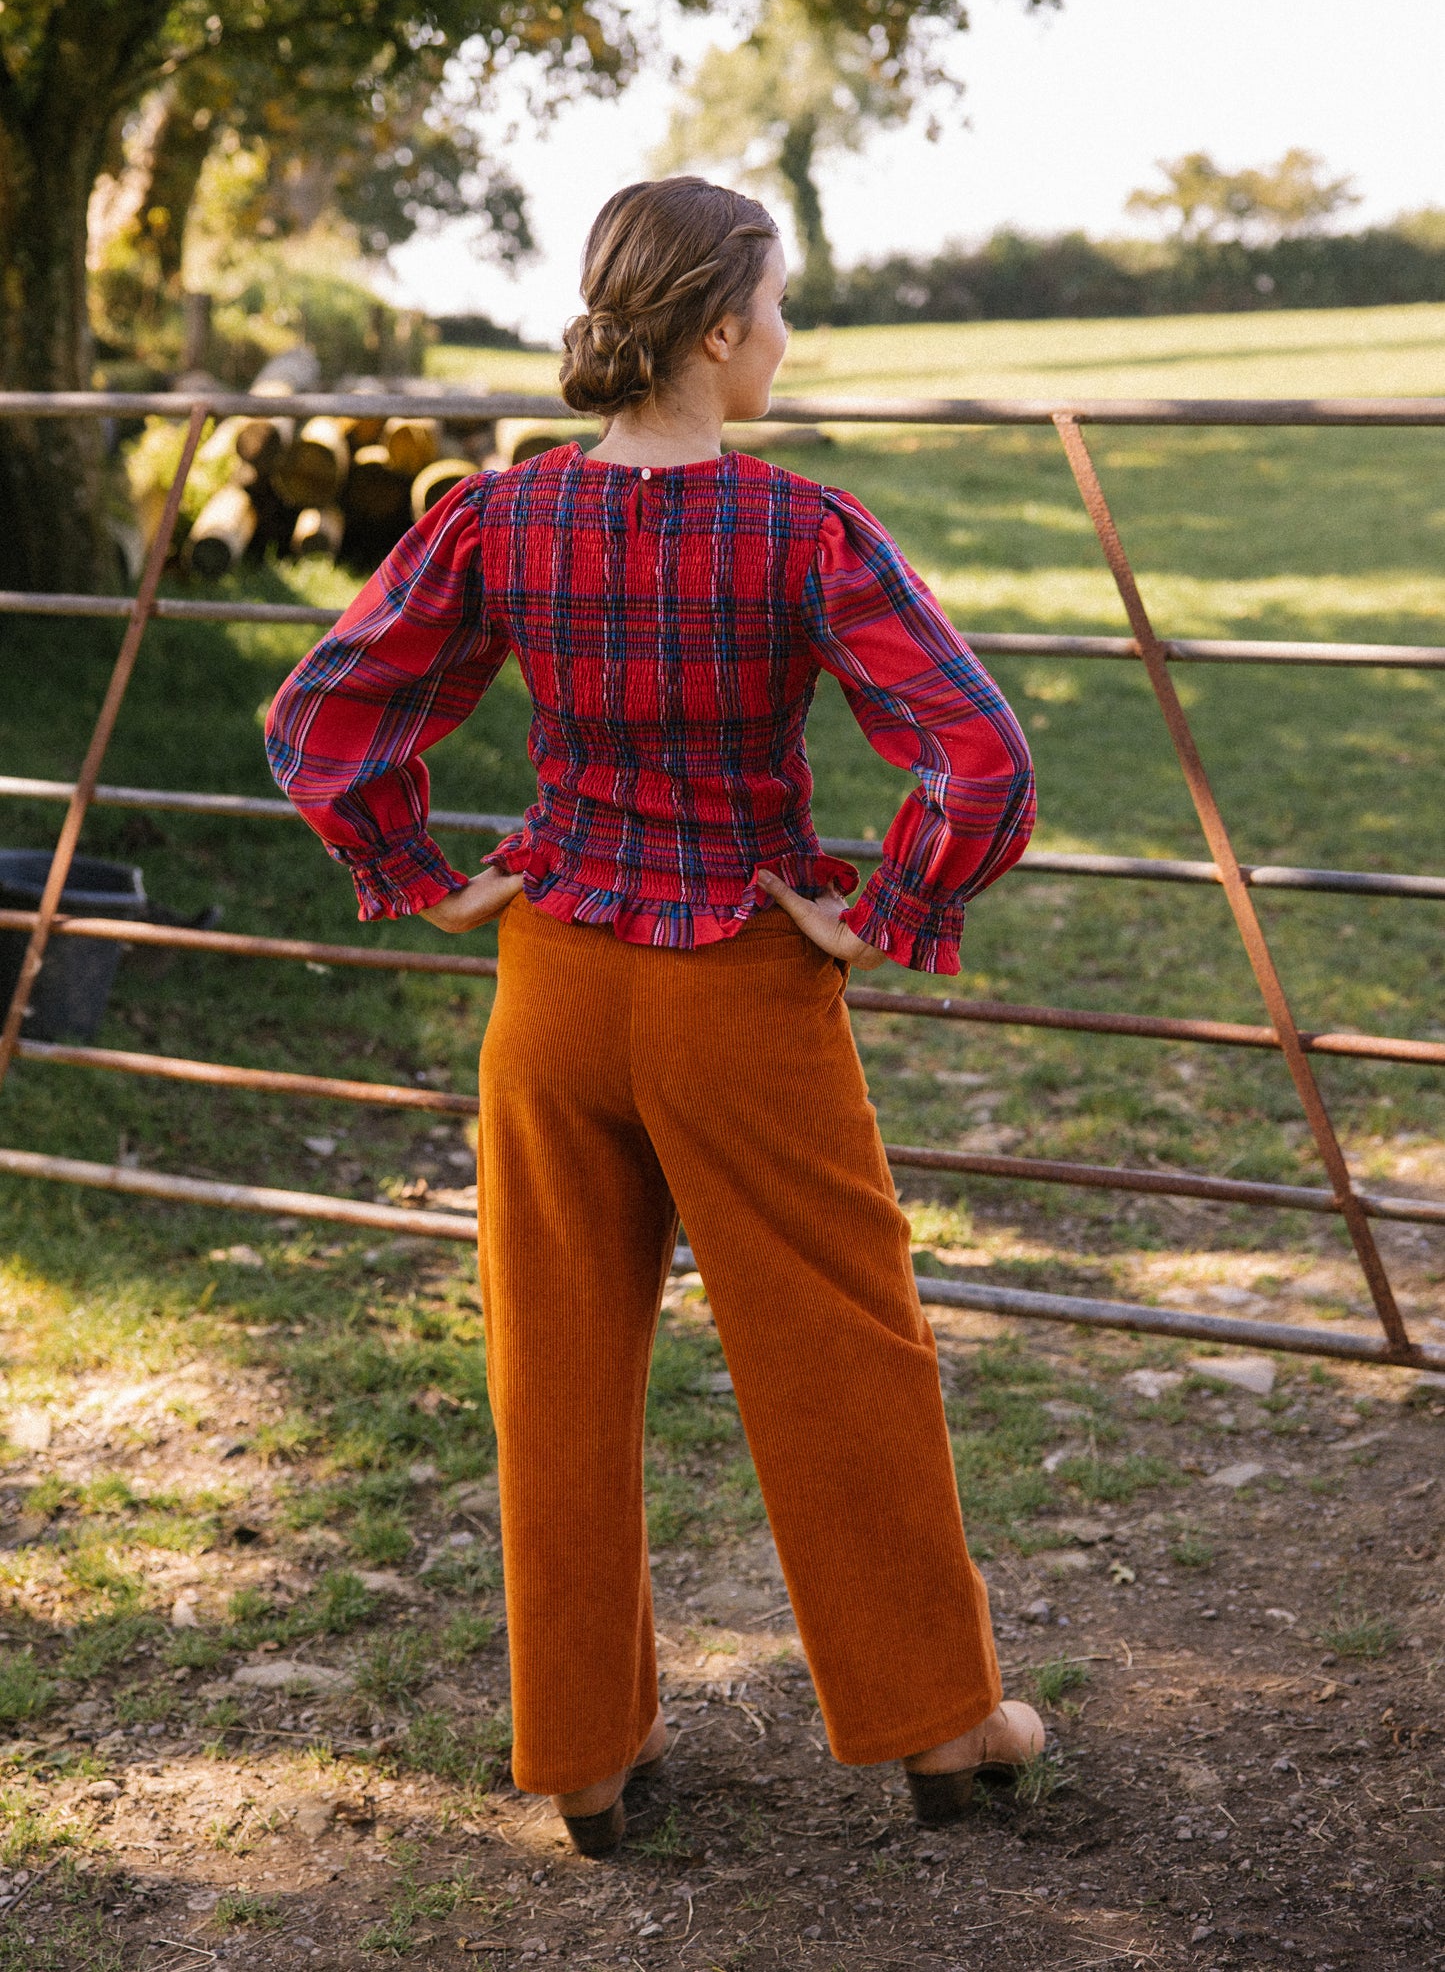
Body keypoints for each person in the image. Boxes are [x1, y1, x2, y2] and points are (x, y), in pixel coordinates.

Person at [265, 176, 1045, 1855]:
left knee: (551, 1367)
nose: (785, 335)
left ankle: (582, 1758)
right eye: (774, 307)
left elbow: (323, 711)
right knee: (845, 1351)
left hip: (549, 979)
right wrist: (886, 908)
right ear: (713, 328)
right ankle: (940, 1724)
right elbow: (979, 754)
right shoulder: (800, 530)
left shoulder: (498, 517)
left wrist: (419, 870)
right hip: (739, 987)